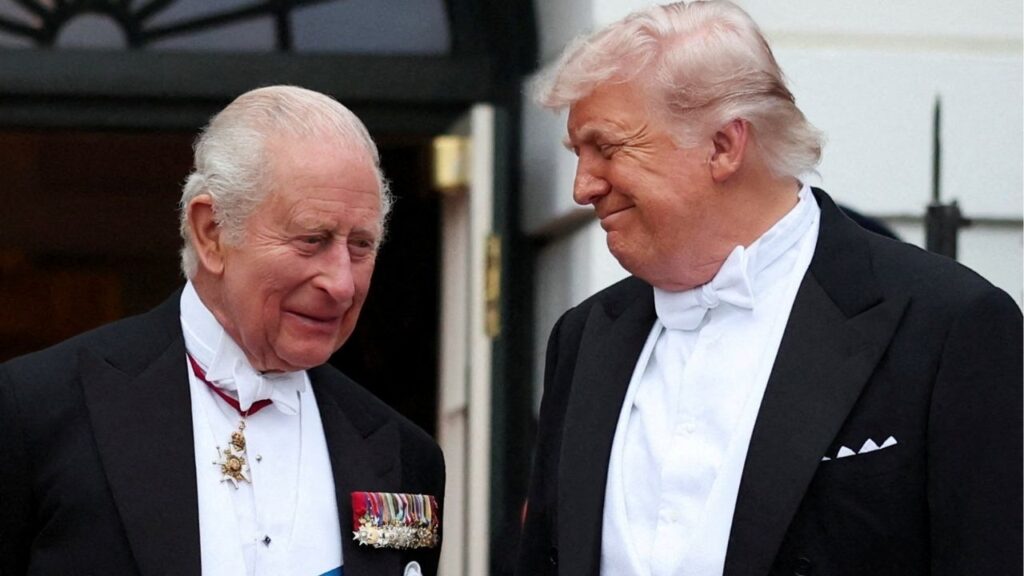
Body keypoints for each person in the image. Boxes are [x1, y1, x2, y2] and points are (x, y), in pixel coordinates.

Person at [516, 2, 1022, 575]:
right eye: (578, 156)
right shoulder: (585, 338)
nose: (583, 187)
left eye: (607, 148)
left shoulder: (946, 324)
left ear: (724, 146)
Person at [0, 86, 444, 576]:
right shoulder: (37, 410)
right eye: (311, 240)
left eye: (360, 245)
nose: (341, 284)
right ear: (211, 232)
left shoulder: (406, 455)